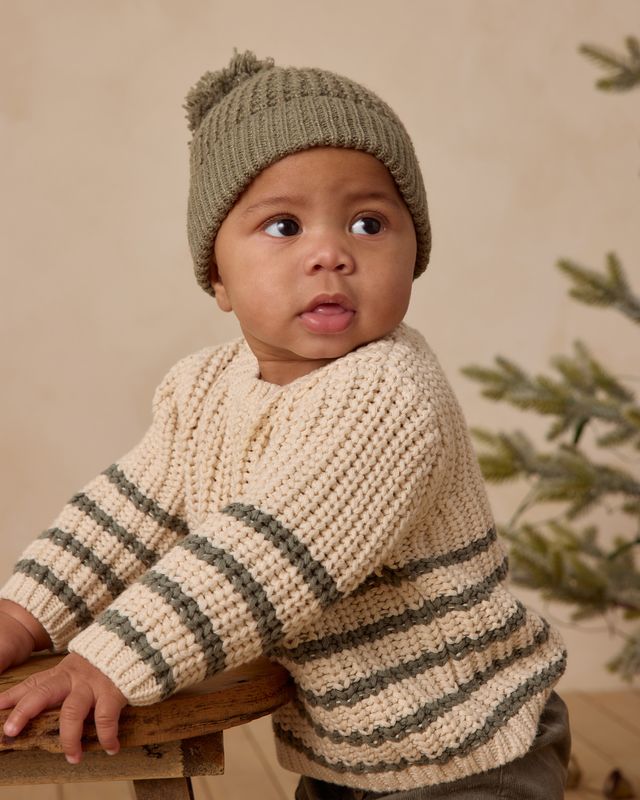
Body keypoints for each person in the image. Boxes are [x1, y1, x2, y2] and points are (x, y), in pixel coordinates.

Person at [0, 50, 570, 798]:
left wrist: (107, 657)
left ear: (415, 253)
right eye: (283, 226)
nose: (330, 253)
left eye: (369, 223)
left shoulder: (391, 395)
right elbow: (126, 514)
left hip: (468, 750)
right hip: (342, 754)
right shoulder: (203, 387)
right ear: (218, 277)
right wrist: (24, 614)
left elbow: (267, 550)